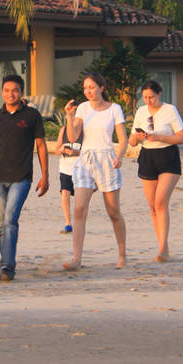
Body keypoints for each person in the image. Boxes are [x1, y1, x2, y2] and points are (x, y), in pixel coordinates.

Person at [0, 74, 49, 282]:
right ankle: (6, 267)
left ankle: (6, 267)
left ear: (21, 92)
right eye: (6, 90)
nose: (10, 94)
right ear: (2, 92)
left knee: (10, 219)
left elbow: (41, 146)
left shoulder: (32, 116)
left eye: (14, 90)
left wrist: (45, 176)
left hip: (21, 178)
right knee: (0, 224)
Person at [63, 73, 128, 270]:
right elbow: (73, 136)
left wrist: (121, 155)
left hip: (107, 159)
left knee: (113, 211)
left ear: (101, 87)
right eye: (85, 88)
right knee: (79, 208)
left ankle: (122, 254)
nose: (88, 91)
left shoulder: (114, 109)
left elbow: (122, 139)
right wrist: (69, 116)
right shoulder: (82, 108)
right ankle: (77, 258)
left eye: (91, 87)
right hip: (86, 158)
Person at [128, 80, 183, 260]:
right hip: (147, 157)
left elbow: (182, 137)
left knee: (161, 201)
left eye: (151, 97)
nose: (148, 101)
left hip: (168, 157)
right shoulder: (141, 111)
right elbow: (131, 142)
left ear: (159, 94)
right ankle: (163, 245)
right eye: (145, 97)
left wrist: (159, 136)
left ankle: (163, 249)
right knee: (153, 205)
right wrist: (138, 137)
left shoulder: (170, 110)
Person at [55, 125, 81, 234]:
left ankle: (79, 223)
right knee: (65, 194)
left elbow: (90, 151)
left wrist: (75, 152)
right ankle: (68, 224)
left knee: (80, 200)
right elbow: (56, 150)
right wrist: (61, 149)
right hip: (65, 169)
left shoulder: (84, 130)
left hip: (80, 169)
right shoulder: (63, 130)